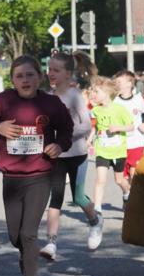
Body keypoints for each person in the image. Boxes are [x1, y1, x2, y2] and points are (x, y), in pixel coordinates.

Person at [0, 56, 73, 276]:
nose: (25, 80)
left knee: (29, 233)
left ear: (39, 77)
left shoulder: (50, 103)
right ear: (12, 80)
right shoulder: (3, 101)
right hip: (11, 178)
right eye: (19, 76)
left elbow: (67, 130)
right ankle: (27, 256)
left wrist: (59, 145)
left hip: (39, 176)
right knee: (15, 236)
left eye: (30, 74)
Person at [42, 53, 103, 261]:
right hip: (56, 156)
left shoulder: (75, 95)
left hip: (77, 154)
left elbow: (86, 125)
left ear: (68, 74)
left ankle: (95, 221)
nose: (51, 73)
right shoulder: (47, 97)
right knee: (56, 197)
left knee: (78, 197)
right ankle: (51, 243)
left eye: (56, 70)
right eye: (49, 69)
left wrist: (63, 134)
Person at [88, 78, 133, 214]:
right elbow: (95, 127)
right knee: (100, 179)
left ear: (107, 93)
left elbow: (131, 126)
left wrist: (118, 127)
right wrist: (89, 140)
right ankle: (97, 208)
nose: (93, 94)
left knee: (119, 180)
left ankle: (127, 192)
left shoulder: (120, 109)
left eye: (96, 91)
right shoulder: (95, 110)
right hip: (102, 150)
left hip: (118, 151)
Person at [113, 70, 144, 191]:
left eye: (119, 82)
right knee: (121, 179)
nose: (117, 84)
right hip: (120, 144)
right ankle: (128, 194)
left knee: (134, 174)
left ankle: (135, 197)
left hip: (136, 142)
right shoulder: (115, 101)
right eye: (116, 82)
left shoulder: (138, 99)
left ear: (129, 83)